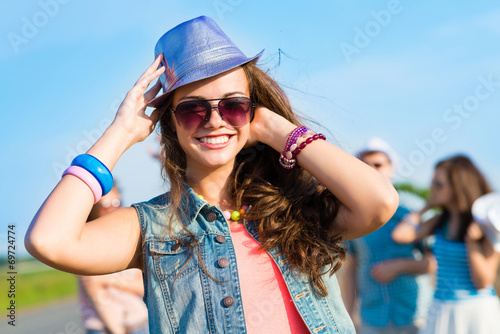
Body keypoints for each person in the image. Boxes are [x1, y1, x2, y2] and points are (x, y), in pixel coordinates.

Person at [24, 16, 399, 333]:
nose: (215, 120)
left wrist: (276, 129)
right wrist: (122, 132)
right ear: (170, 124)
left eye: (234, 106)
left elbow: (379, 203)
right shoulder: (154, 227)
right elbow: (48, 241)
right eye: (193, 110)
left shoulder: (295, 210)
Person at [392, 155, 500, 334]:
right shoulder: (440, 221)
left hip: (475, 313)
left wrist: (472, 243)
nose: (432, 189)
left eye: (438, 185)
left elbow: (483, 282)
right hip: (440, 309)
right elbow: (400, 235)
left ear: (458, 187)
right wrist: (426, 207)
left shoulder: (486, 223)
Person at [340, 137, 435, 334]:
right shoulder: (352, 213)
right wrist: (347, 317)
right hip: (371, 318)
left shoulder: (413, 208)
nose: (371, 169)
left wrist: (399, 266)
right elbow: (352, 268)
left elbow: (433, 262)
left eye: (378, 164)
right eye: (365, 165)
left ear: (391, 167)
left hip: (414, 316)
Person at [78, 186, 149, 334]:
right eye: (104, 206)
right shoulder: (86, 245)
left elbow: (144, 286)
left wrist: (110, 281)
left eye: (116, 203)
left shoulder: (131, 241)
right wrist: (117, 330)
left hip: (139, 323)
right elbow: (95, 292)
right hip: (106, 328)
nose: (111, 208)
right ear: (93, 209)